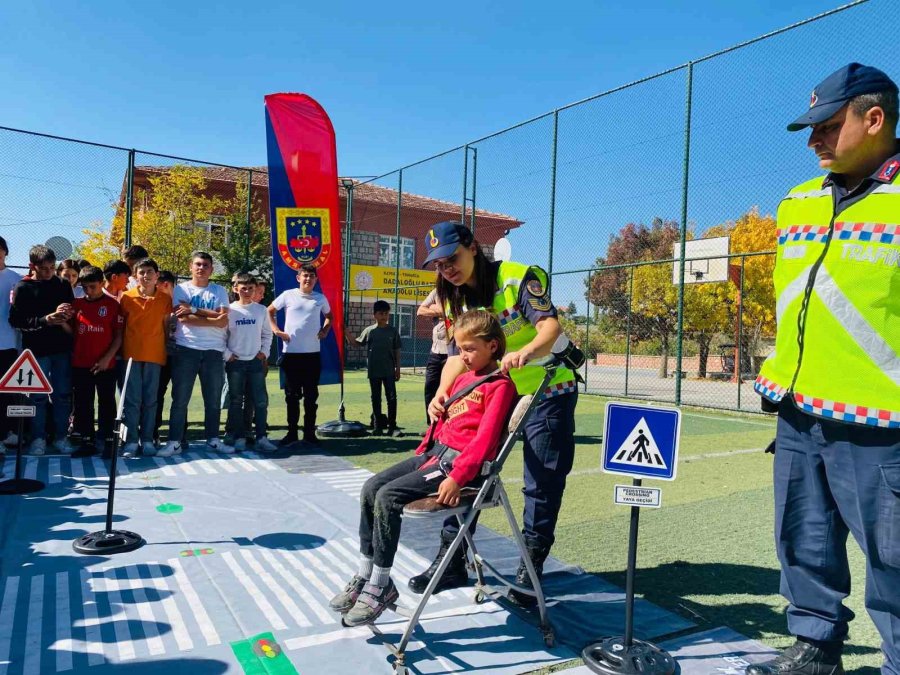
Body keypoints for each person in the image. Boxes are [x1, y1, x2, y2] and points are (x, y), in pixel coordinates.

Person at [746, 63, 900, 675]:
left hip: (882, 420)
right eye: (810, 129)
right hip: (798, 408)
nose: (814, 141)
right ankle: (815, 646)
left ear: (875, 118)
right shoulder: (797, 202)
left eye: (828, 126)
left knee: (893, 558)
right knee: (803, 541)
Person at [413, 221, 578, 607]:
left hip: (545, 386)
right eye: (438, 264)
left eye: (451, 258)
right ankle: (452, 560)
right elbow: (457, 356)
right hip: (493, 392)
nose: (446, 268)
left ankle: (530, 566)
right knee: (465, 467)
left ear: (472, 247)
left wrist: (527, 353)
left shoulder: (517, 278)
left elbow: (550, 327)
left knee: (541, 480)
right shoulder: (451, 295)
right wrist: (442, 392)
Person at [329, 310, 517, 626]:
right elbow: (453, 419)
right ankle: (365, 574)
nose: (463, 356)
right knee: (370, 487)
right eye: (459, 348)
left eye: (470, 349)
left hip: (455, 464)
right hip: (433, 453)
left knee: (388, 497)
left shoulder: (499, 386)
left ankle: (381, 585)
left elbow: (484, 441)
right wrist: (436, 409)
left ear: (493, 347)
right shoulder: (464, 378)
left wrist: (458, 476)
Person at [158, 251, 231, 457]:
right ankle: (174, 442)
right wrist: (213, 316)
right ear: (191, 266)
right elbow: (184, 319)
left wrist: (195, 310)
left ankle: (213, 440)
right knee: (180, 399)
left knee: (213, 399)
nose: (201, 268)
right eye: (198, 264)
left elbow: (224, 320)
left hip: (214, 351)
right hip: (186, 349)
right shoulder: (181, 289)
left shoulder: (220, 291)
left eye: (206, 265)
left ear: (211, 269)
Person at [9, 245, 75, 456]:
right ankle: (38, 439)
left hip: (61, 350)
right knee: (36, 397)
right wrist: (45, 320)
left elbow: (73, 313)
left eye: (52, 267)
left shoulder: (63, 284)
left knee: (62, 396)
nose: (49, 272)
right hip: (36, 351)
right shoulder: (23, 287)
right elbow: (16, 320)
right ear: (32, 266)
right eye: (43, 268)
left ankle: (61, 438)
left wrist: (66, 315)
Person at [267, 264, 332, 447]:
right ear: (298, 278)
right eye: (305, 275)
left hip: (312, 355)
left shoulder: (320, 298)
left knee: (311, 397)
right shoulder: (288, 295)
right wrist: (276, 331)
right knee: (292, 396)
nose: (308, 279)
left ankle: (309, 433)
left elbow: (330, 316)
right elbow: (269, 311)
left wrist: (325, 330)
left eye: (311, 276)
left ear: (315, 279)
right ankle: (292, 432)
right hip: (291, 356)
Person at [119, 258, 172, 459]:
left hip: (155, 355)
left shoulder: (165, 300)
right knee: (132, 400)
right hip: (130, 355)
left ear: (157, 275)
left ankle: (148, 440)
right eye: (141, 272)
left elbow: (167, 327)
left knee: (151, 400)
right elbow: (121, 327)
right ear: (135, 276)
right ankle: (131, 441)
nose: (146, 276)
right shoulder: (126, 298)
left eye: (150, 272)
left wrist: (166, 349)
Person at [69, 266, 122, 458]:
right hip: (81, 363)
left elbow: (118, 336)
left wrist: (106, 358)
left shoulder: (112, 305)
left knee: (107, 402)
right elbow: (73, 333)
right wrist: (62, 323)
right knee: (83, 403)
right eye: (85, 287)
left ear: (101, 283)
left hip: (105, 364)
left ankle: (108, 440)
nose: (89, 291)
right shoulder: (77, 304)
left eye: (92, 286)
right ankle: (87, 440)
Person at [223, 273, 277, 452]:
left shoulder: (260, 310)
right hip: (235, 363)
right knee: (236, 401)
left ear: (255, 290)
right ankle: (238, 437)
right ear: (235, 288)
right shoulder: (229, 310)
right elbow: (221, 336)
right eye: (243, 288)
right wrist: (227, 354)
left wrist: (264, 352)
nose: (246, 291)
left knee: (260, 401)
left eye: (250, 288)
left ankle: (261, 437)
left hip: (255, 363)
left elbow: (267, 334)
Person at [351, 301, 402, 436]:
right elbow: (356, 343)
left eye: (386, 313)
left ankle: (392, 426)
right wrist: (346, 333)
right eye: (380, 313)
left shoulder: (393, 331)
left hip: (389, 371)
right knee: (376, 398)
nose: (383, 316)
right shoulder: (370, 331)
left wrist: (397, 369)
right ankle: (377, 427)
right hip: (374, 371)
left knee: (392, 398)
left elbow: (397, 350)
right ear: (375, 315)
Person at [0, 237, 21, 450]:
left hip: (8, 346)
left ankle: (10, 433)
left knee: (8, 392)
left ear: (5, 252)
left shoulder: (16, 279)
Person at [152, 270, 177, 446]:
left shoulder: (180, 301)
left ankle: (179, 434)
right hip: (159, 355)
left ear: (165, 285)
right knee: (156, 394)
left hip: (181, 355)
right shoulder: (156, 302)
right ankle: (153, 431)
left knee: (180, 395)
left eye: (157, 286)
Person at [417, 288, 449, 424]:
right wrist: (443, 311)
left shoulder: (460, 289)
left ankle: (448, 425)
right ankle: (431, 425)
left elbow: (460, 312)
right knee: (430, 387)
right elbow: (420, 311)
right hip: (435, 351)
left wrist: (437, 309)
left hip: (453, 352)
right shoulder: (437, 292)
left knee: (451, 389)